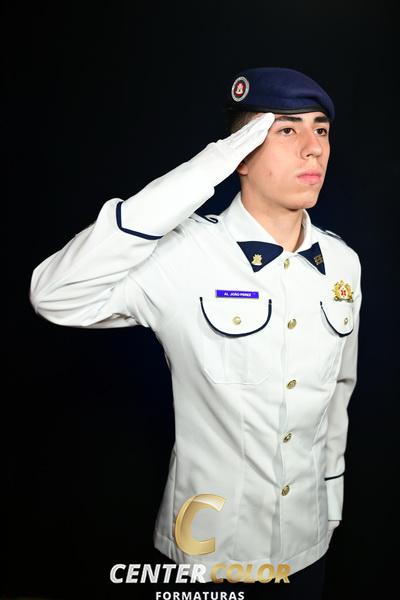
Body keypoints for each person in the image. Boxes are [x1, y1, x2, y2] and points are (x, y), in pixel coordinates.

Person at [30, 67, 362, 595]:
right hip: (208, 553)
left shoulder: (342, 264)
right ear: (240, 155)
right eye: (286, 130)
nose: (314, 148)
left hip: (307, 544)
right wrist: (207, 167)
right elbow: (54, 294)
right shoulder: (183, 256)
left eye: (320, 129)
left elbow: (338, 390)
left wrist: (332, 497)